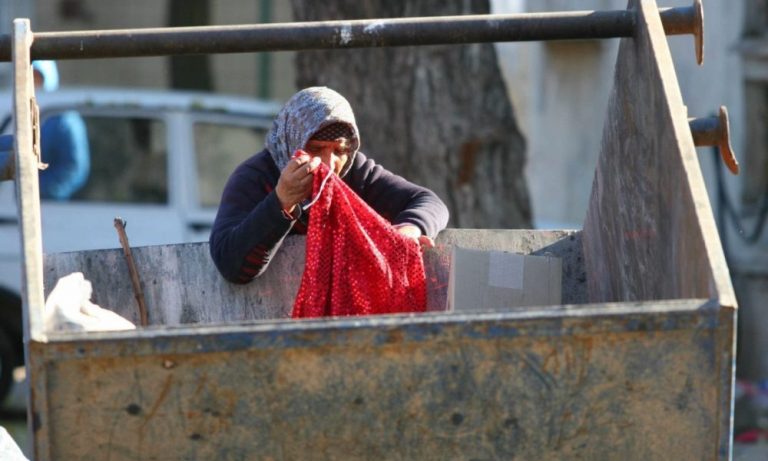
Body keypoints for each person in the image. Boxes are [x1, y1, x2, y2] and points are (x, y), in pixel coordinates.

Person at [210, 86, 449, 283]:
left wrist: (407, 231)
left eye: (340, 151)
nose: (328, 163)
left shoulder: (354, 172)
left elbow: (429, 202)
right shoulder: (257, 177)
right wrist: (281, 201)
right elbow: (231, 265)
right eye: (314, 149)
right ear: (292, 139)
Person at [33, 60, 90, 200]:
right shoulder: (17, 114)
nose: (33, 85)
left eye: (38, 79)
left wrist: (36, 190)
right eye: (29, 78)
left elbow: (74, 168)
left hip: (53, 206)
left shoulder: (65, 121)